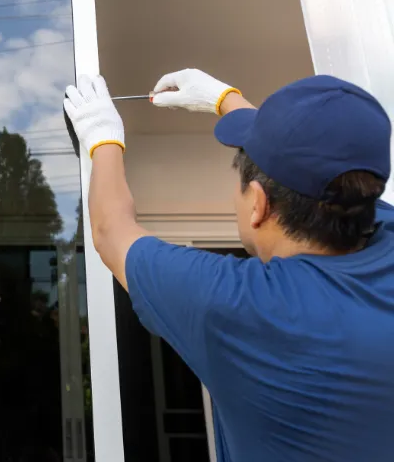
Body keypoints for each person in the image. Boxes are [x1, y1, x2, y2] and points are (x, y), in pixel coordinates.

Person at [63, 69, 394, 462]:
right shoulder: (378, 225)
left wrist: (102, 138)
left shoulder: (243, 307)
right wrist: (225, 100)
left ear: (258, 204)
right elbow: (322, 164)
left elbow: (110, 231)